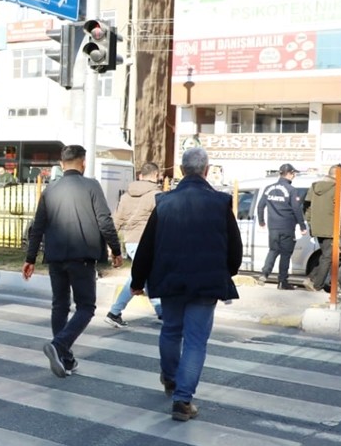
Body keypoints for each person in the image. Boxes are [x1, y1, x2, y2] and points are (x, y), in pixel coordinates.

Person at [130, 147, 241, 422]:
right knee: (195, 341)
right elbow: (235, 249)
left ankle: (170, 378)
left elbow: (146, 246)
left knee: (171, 330)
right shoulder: (220, 203)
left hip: (170, 279)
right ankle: (182, 400)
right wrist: (225, 272)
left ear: (181, 170)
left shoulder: (164, 202)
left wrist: (137, 280)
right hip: (206, 282)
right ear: (206, 170)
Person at [22, 145, 123, 378]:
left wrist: (30, 259)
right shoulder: (91, 186)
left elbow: (38, 227)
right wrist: (116, 250)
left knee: (60, 305)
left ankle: (65, 360)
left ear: (61, 163)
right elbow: (105, 221)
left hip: (55, 258)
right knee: (86, 307)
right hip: (82, 257)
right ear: (83, 163)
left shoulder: (50, 190)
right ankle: (59, 346)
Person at [105, 162, 164, 327]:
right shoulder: (157, 196)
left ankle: (162, 312)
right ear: (156, 175)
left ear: (140, 176)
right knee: (140, 276)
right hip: (148, 242)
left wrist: (112, 246)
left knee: (143, 275)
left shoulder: (126, 196)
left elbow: (116, 221)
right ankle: (114, 312)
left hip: (130, 240)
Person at [257, 163, 306, 289]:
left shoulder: (268, 188)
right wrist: (302, 226)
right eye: (293, 173)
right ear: (289, 173)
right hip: (287, 226)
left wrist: (261, 221)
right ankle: (282, 282)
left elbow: (260, 206)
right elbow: (296, 209)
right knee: (285, 254)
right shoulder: (291, 190)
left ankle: (264, 274)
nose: (294, 176)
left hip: (273, 226)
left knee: (273, 250)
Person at [303, 165, 340, 292]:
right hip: (331, 228)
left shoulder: (314, 186)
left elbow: (307, 207)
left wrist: (311, 223)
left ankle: (311, 278)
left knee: (325, 255)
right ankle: (316, 284)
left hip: (317, 226)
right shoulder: (336, 188)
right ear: (337, 175)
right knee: (328, 256)